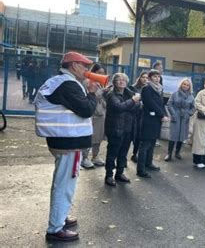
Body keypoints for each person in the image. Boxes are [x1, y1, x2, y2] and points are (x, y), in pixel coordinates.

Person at [35, 51, 97, 242]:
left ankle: (60, 218)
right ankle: (55, 228)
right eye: (84, 65)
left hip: (62, 140)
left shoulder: (59, 81)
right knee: (65, 185)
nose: (87, 69)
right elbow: (86, 109)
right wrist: (92, 93)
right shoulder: (68, 84)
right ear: (73, 66)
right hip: (69, 142)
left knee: (62, 182)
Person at [104, 73, 141, 186]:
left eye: (124, 80)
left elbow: (137, 106)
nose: (122, 82)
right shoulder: (111, 94)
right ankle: (109, 175)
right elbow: (118, 107)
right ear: (114, 82)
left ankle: (119, 173)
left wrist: (129, 104)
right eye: (119, 80)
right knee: (112, 153)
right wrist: (132, 102)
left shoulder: (129, 93)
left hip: (128, 128)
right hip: (115, 128)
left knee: (123, 153)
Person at [138, 70, 168, 178]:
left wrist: (164, 114)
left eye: (158, 77)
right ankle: (140, 169)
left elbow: (161, 104)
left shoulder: (159, 88)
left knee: (151, 144)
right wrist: (161, 115)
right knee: (145, 144)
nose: (157, 78)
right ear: (150, 78)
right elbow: (150, 103)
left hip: (156, 120)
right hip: (148, 120)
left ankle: (148, 163)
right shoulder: (146, 88)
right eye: (155, 76)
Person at [81, 64, 107, 168]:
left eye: (103, 73)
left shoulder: (101, 83)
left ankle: (95, 156)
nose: (101, 75)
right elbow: (91, 97)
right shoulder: (88, 82)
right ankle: (84, 158)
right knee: (90, 137)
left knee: (98, 137)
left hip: (101, 114)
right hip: (92, 114)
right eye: (99, 73)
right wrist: (102, 92)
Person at [166, 78, 195, 161]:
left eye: (187, 85)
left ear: (189, 87)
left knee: (182, 136)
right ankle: (169, 153)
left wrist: (189, 113)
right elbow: (169, 104)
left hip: (185, 117)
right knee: (173, 135)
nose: (185, 86)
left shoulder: (191, 97)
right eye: (184, 84)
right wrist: (173, 113)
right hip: (176, 116)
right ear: (181, 84)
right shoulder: (175, 94)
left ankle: (177, 152)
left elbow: (193, 108)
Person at [130, 71, 149, 163]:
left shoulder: (148, 88)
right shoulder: (133, 88)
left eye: (146, 77)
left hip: (143, 115)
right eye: (143, 77)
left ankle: (134, 154)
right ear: (139, 78)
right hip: (134, 114)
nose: (145, 79)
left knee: (139, 136)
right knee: (130, 135)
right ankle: (123, 157)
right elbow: (133, 100)